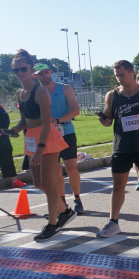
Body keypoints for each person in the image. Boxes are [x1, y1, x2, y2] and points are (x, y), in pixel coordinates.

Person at [9, 51, 71, 241]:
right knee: (37, 183)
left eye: (23, 69)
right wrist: (15, 129)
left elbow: (46, 124)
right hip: (31, 138)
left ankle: (53, 225)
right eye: (16, 70)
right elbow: (24, 120)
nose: (20, 73)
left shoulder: (41, 91)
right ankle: (65, 211)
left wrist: (39, 150)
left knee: (47, 183)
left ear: (31, 70)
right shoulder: (20, 93)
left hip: (47, 139)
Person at [96, 60, 139, 238]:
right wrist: (103, 119)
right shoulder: (112, 95)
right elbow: (108, 120)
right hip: (122, 145)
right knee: (118, 185)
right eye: (117, 75)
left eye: (122, 74)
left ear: (132, 73)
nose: (119, 78)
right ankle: (113, 222)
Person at [33, 64, 84, 214]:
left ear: (51, 72)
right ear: (35, 77)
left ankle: (77, 199)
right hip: (48, 136)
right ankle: (62, 202)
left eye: (46, 72)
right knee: (55, 171)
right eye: (41, 74)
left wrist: (59, 120)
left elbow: (75, 110)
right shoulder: (36, 92)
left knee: (71, 168)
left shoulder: (65, 88)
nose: (45, 76)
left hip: (66, 132)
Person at [0, 105, 27, 188]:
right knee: (6, 156)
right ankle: (13, 180)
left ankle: (14, 180)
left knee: (6, 157)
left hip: (2, 137)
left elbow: (5, 120)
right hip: (2, 137)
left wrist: (3, 131)